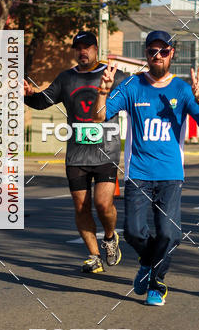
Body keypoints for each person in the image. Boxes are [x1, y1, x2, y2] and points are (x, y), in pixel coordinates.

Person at [94, 30, 199, 306]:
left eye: (163, 51)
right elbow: (100, 116)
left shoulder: (182, 89)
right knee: (133, 232)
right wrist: (103, 92)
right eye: (152, 51)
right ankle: (149, 263)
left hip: (170, 175)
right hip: (138, 173)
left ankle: (156, 283)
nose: (157, 55)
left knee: (169, 234)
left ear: (172, 53)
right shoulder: (132, 85)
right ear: (146, 54)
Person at [24, 31, 127, 274]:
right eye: (78, 47)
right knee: (81, 206)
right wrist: (28, 96)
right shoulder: (66, 78)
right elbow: (43, 101)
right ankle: (94, 256)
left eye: (87, 47)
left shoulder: (115, 75)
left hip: (106, 152)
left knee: (103, 204)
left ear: (96, 48)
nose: (83, 51)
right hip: (76, 155)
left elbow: (138, 96)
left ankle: (110, 237)